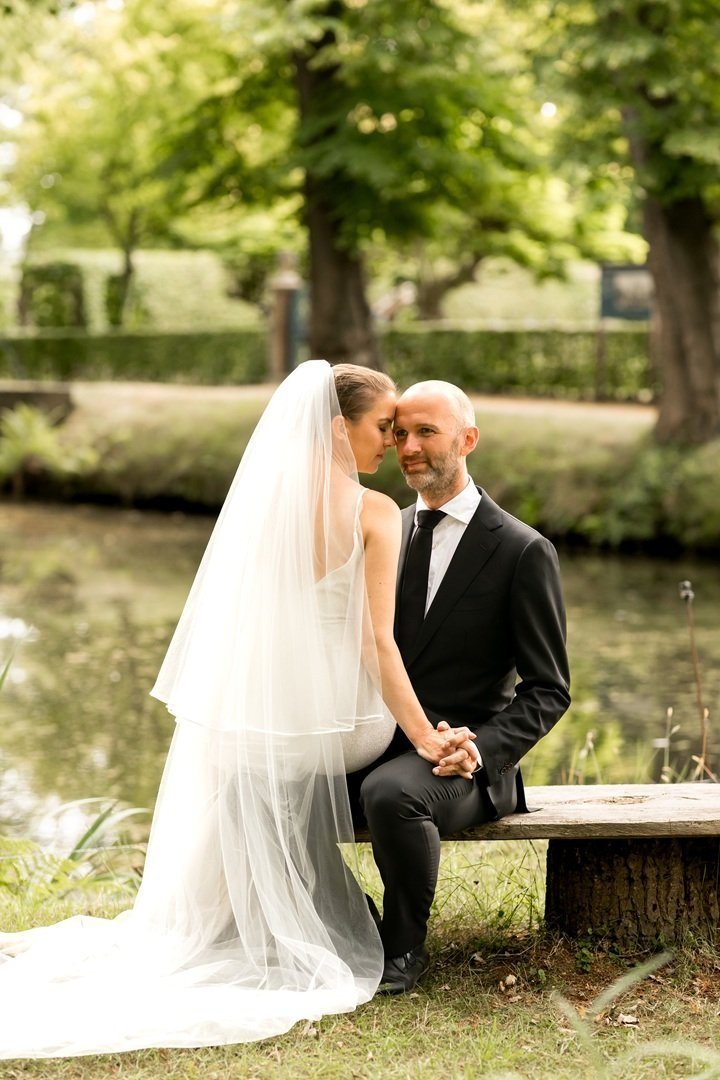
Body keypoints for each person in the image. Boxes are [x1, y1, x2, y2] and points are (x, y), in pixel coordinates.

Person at [0, 360, 474, 1058]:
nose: (393, 442)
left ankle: (274, 912)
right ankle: (324, 919)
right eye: (382, 426)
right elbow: (378, 647)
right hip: (340, 729)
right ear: (337, 428)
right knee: (336, 755)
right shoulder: (373, 511)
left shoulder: (264, 504)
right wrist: (425, 736)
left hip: (258, 723)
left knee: (249, 777)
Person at [348, 379, 571, 994]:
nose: (408, 446)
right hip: (374, 739)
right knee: (272, 787)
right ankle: (349, 925)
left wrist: (482, 749)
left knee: (391, 794)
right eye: (399, 433)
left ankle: (401, 954)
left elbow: (549, 688)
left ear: (467, 440)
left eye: (427, 432)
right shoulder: (381, 528)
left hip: (462, 763)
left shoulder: (523, 551)